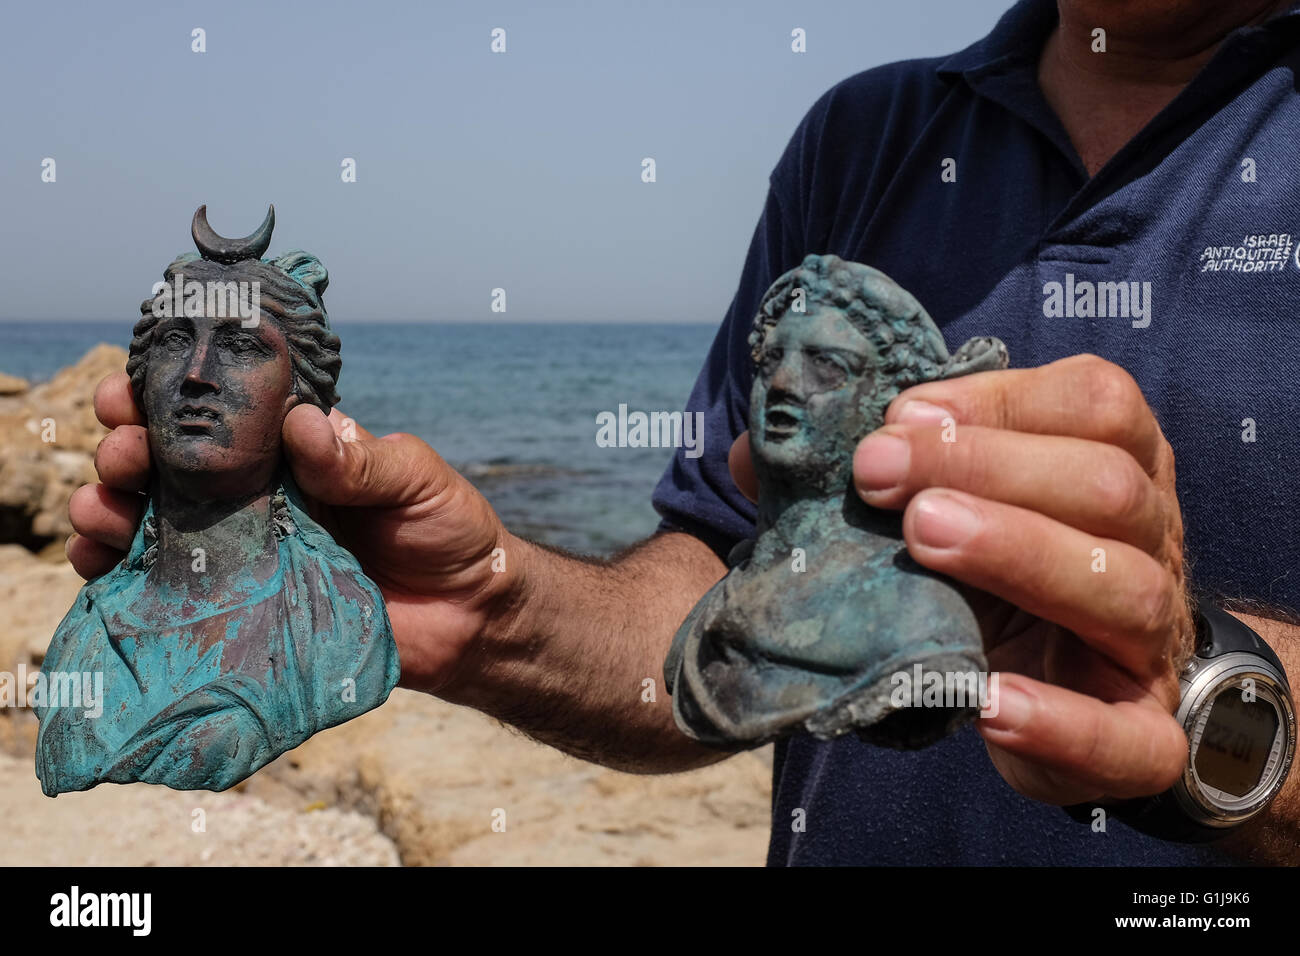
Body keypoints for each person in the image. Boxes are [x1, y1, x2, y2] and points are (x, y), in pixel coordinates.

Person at [68, 0, 1300, 863]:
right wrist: (493, 611)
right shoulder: (864, 136)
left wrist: (1194, 692)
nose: (198, 378)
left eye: (242, 345)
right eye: (784, 360)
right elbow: (717, 571)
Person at [40, 210, 399, 795]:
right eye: (177, 341)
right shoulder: (87, 631)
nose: (198, 375)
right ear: (142, 380)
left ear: (299, 392)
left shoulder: (337, 623)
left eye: (240, 345)